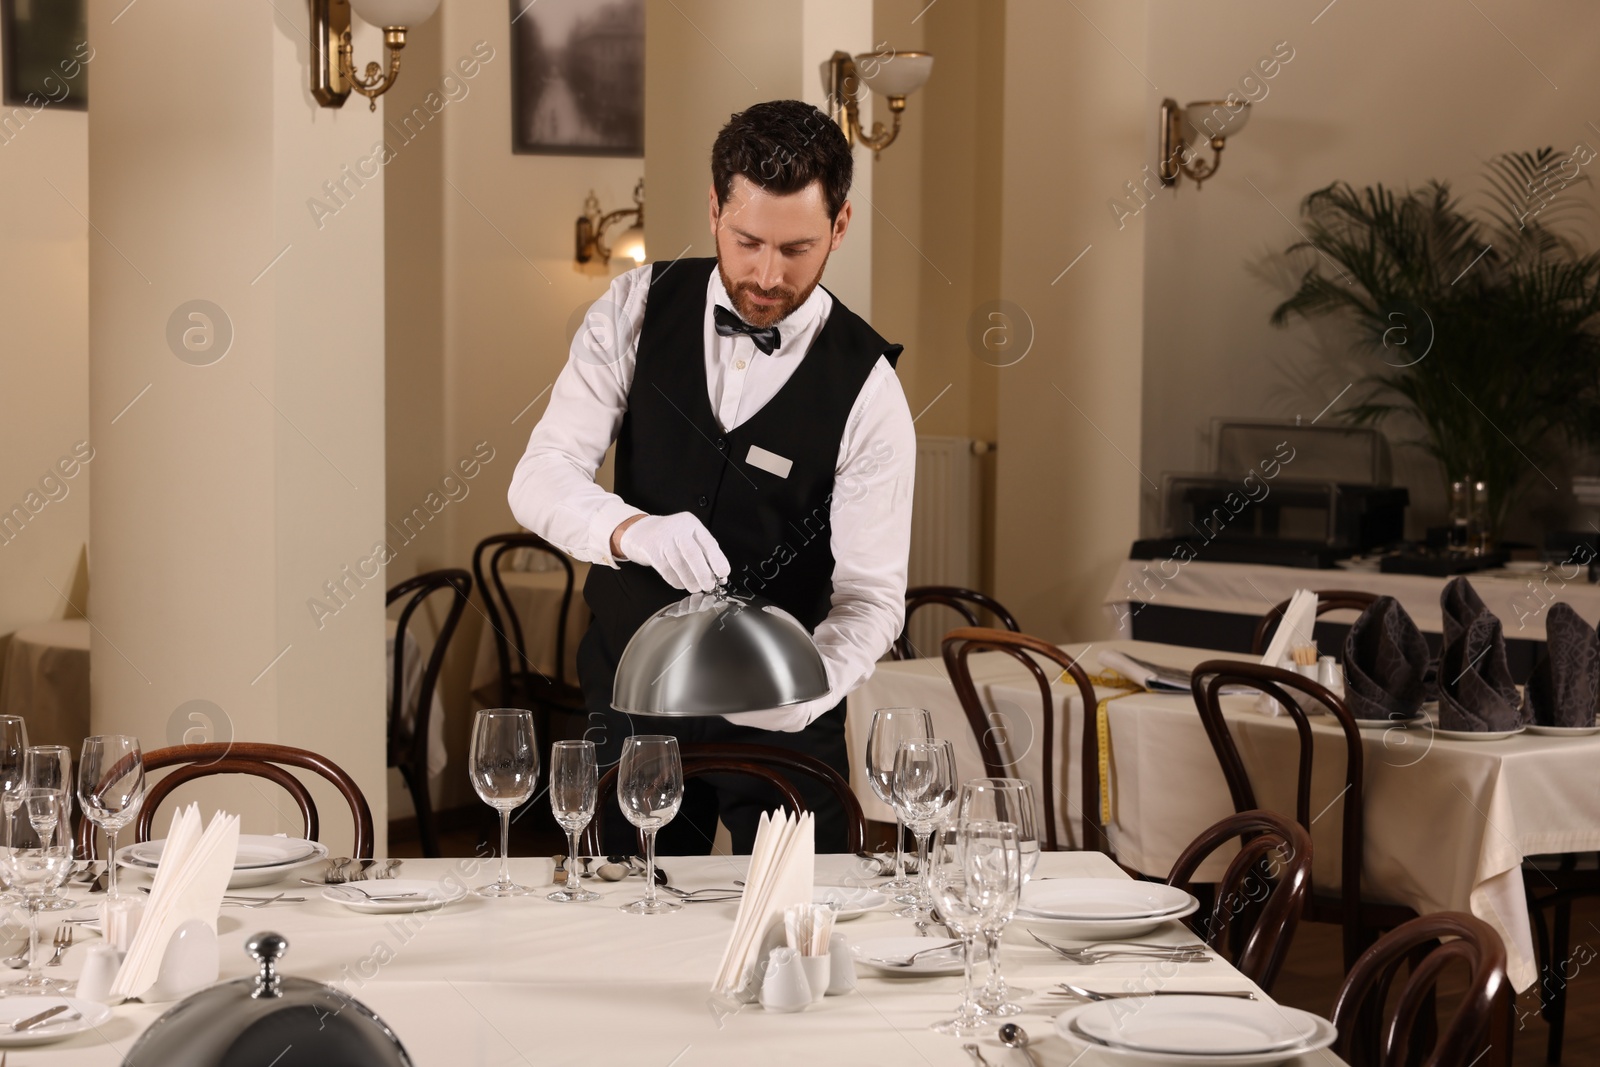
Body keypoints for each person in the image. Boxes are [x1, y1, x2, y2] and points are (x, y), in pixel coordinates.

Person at [508, 99, 915, 854]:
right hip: (631, 693)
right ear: (713, 208)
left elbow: (871, 598)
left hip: (789, 718)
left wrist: (806, 689)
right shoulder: (632, 309)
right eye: (746, 240)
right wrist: (632, 531)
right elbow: (538, 477)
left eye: (796, 248)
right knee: (622, 924)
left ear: (842, 225)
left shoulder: (868, 387)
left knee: (798, 932)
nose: (766, 274)